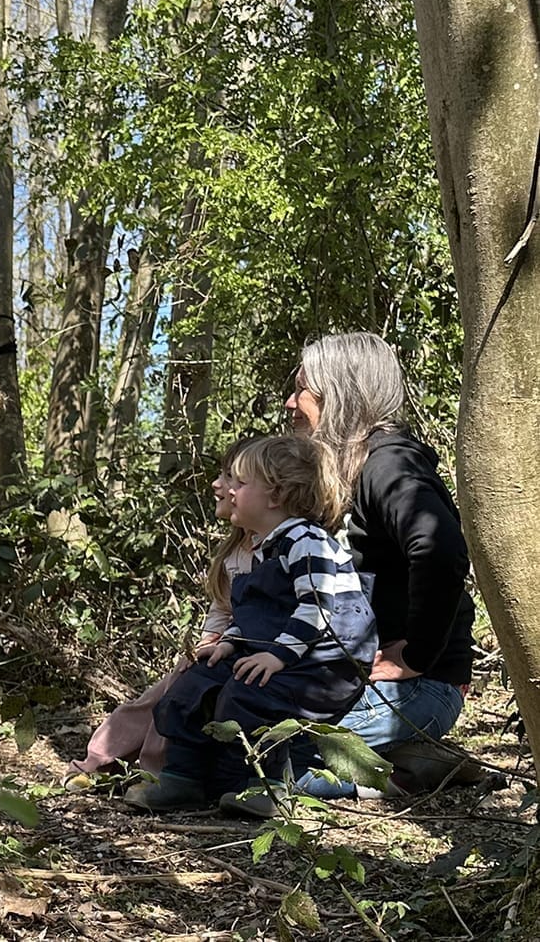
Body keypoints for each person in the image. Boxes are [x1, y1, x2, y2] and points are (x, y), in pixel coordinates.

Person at [125, 434, 376, 818]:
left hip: (323, 662)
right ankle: (181, 777)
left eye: (239, 484)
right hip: (282, 649)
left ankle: (269, 786)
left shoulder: (306, 541)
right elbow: (261, 614)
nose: (228, 490)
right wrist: (230, 642)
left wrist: (277, 656)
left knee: (250, 695)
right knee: (194, 684)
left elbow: (316, 607)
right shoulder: (264, 546)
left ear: (274, 496)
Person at [287, 331, 476, 796]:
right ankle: (412, 760)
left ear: (339, 394)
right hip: (356, 680)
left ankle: (396, 778)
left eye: (301, 389)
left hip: (419, 688)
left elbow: (439, 546)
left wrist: (415, 654)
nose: (290, 403)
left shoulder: (388, 464)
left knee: (257, 759)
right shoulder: (350, 469)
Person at [65, 443, 253, 786]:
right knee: (156, 696)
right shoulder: (235, 550)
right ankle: (100, 761)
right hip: (222, 647)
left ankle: (152, 771)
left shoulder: (277, 551)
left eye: (228, 476)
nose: (216, 484)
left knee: (177, 694)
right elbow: (222, 607)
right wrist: (209, 638)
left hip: (242, 653)